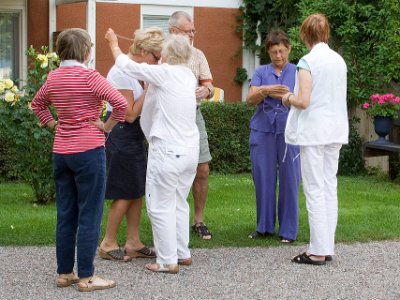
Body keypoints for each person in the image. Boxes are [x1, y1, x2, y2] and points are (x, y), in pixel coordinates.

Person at [31, 28, 127, 291]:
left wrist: (53, 125)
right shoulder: (90, 76)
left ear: (60, 51)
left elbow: (37, 104)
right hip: (88, 152)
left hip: (61, 152)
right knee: (89, 214)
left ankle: (64, 273)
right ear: (87, 51)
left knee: (66, 213)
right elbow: (121, 105)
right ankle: (86, 276)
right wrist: (105, 128)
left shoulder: (53, 77)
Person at [105, 28, 199, 274]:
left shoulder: (164, 73)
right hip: (190, 150)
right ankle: (182, 253)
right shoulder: (188, 76)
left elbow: (126, 64)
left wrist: (114, 43)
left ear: (167, 54)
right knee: (179, 201)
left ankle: (167, 261)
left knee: (159, 204)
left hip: (168, 149)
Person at [282, 14, 348, 265]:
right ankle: (326, 246)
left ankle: (317, 251)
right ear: (326, 33)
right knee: (329, 186)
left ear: (305, 35)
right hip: (336, 129)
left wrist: (287, 97)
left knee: (314, 188)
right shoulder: (339, 61)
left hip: (314, 132)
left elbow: (304, 101)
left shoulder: (306, 61)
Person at [98, 27, 164, 262]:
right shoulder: (121, 72)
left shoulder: (140, 70)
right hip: (122, 133)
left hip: (134, 136)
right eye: (157, 57)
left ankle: (133, 242)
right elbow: (128, 114)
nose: (159, 62)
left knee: (136, 190)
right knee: (125, 191)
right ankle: (107, 242)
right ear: (144, 51)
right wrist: (148, 89)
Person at [247, 30, 301, 243]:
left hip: (290, 132)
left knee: (290, 179)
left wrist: (284, 96)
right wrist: (267, 90)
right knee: (263, 179)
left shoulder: (298, 72)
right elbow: (250, 99)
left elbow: (304, 99)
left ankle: (288, 231)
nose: (278, 56)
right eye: (273, 52)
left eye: (281, 51)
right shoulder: (261, 72)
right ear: (268, 53)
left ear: (289, 49)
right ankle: (264, 227)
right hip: (262, 131)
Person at [168, 11, 214, 239]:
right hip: (169, 117)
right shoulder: (162, 54)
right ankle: (170, 221)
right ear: (174, 32)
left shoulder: (198, 55)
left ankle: (198, 221)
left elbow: (209, 84)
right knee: (171, 170)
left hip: (194, 115)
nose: (193, 34)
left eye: (194, 30)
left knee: (202, 167)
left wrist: (206, 89)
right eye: (189, 31)